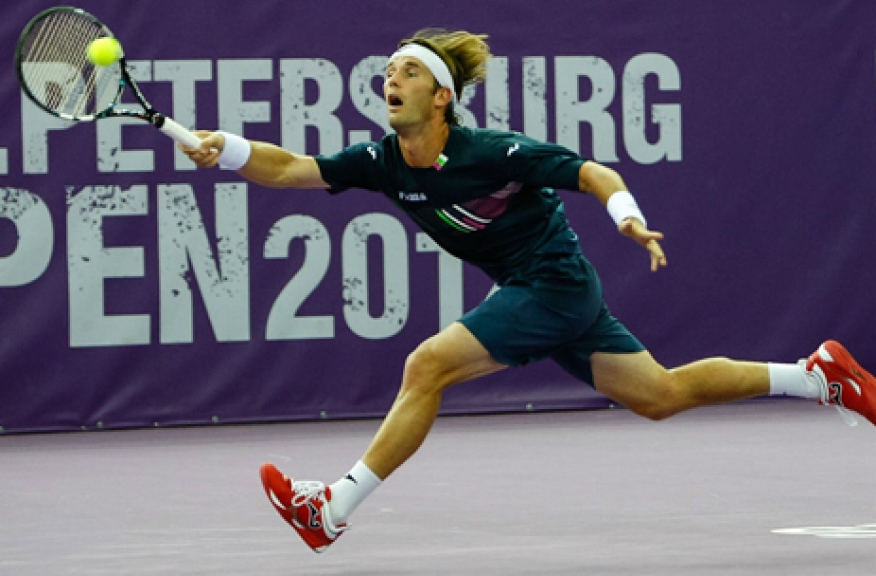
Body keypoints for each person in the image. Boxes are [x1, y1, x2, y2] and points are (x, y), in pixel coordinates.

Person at [182, 28, 876, 553]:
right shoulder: (382, 161)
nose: (391, 79)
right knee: (660, 395)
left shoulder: (496, 153)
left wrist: (628, 218)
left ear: (442, 95)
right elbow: (294, 169)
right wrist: (229, 149)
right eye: (388, 71)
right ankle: (818, 377)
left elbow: (593, 172)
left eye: (409, 71)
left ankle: (331, 509)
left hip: (553, 286)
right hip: (544, 290)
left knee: (426, 366)